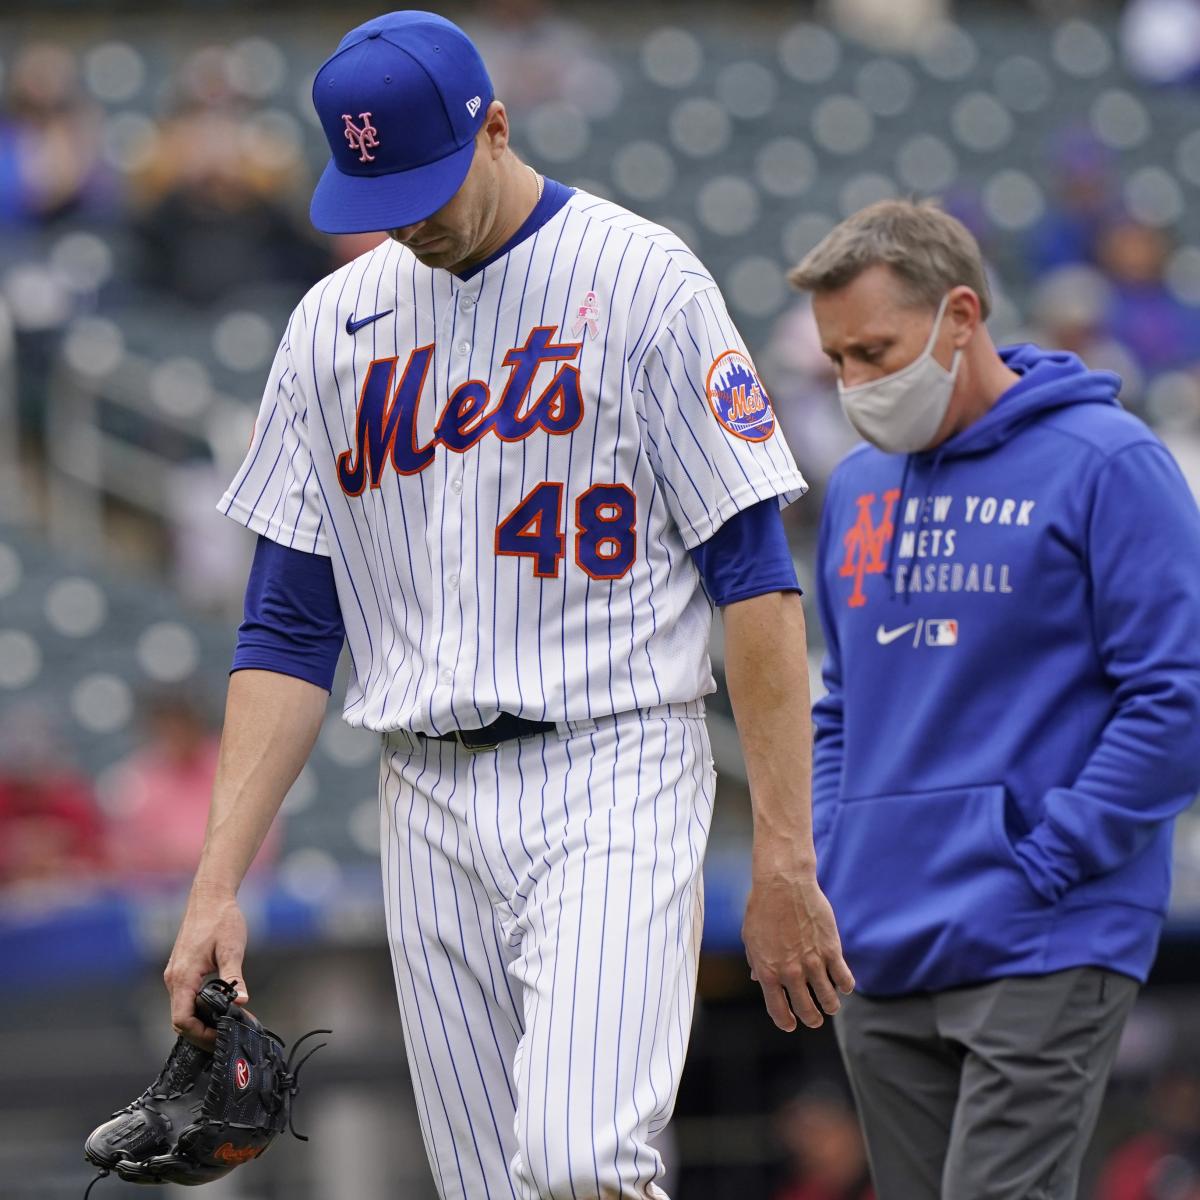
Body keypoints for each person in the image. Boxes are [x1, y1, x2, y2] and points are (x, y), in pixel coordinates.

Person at [163, 12, 852, 1199]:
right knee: (489, 1187)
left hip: (614, 760)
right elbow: (286, 626)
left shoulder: (642, 280)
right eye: (379, 190)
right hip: (423, 791)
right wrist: (215, 882)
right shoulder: (330, 326)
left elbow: (755, 577)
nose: (408, 218)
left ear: (496, 125)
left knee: (583, 1161)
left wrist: (785, 850)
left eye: (428, 181)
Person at [788, 198, 1200, 1200]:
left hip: (1044, 935)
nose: (855, 385)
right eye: (838, 360)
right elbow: (844, 704)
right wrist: (841, 855)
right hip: (882, 942)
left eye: (875, 352)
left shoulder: (1111, 463)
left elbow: (1178, 697)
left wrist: (1053, 857)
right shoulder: (856, 487)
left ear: (961, 316)